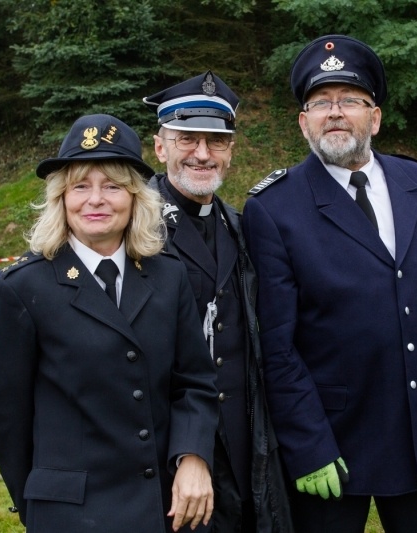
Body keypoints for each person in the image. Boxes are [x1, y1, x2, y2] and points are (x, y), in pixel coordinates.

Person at [241, 35, 417, 533]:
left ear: (374, 118)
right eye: (320, 102)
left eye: (350, 100)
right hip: (333, 443)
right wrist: (307, 445)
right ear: (303, 122)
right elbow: (276, 347)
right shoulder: (273, 208)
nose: (335, 112)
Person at [0, 114, 219, 533]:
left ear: (135, 197)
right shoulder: (22, 288)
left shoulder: (168, 276)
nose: (95, 199)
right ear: (61, 198)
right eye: (80, 186)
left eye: (112, 185)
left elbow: (194, 381)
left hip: (166, 509)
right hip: (71, 515)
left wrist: (193, 457)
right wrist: (38, 499)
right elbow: (4, 411)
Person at [143, 71, 293, 532]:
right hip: (166, 446)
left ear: (231, 151)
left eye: (217, 141)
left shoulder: (239, 224)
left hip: (246, 439)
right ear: (160, 146)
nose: (203, 154)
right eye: (187, 139)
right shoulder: (131, 227)